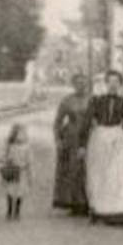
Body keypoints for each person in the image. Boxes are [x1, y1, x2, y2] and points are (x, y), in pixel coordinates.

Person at [82, 70, 123, 226]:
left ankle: (119, 210)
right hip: (100, 136)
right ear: (105, 84)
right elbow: (87, 121)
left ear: (120, 85)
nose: (113, 85)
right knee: (99, 173)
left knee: (118, 174)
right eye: (110, 82)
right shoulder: (96, 101)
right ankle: (97, 208)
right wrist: (82, 144)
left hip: (118, 138)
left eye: (116, 82)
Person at [51, 74, 91, 217]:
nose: (81, 86)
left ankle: (88, 201)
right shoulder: (67, 101)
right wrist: (58, 140)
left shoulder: (92, 100)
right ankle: (74, 203)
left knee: (87, 170)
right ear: (73, 85)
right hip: (71, 138)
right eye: (78, 83)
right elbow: (57, 122)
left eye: (83, 83)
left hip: (89, 137)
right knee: (73, 171)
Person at [0, 122, 34, 221]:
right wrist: (4, 161)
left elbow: (29, 162)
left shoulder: (27, 147)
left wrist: (30, 176)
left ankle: (17, 211)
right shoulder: (9, 145)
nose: (21, 136)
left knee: (20, 193)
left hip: (21, 172)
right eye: (19, 134)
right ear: (14, 134)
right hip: (12, 171)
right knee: (10, 191)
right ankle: (9, 210)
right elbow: (1, 156)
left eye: (23, 134)